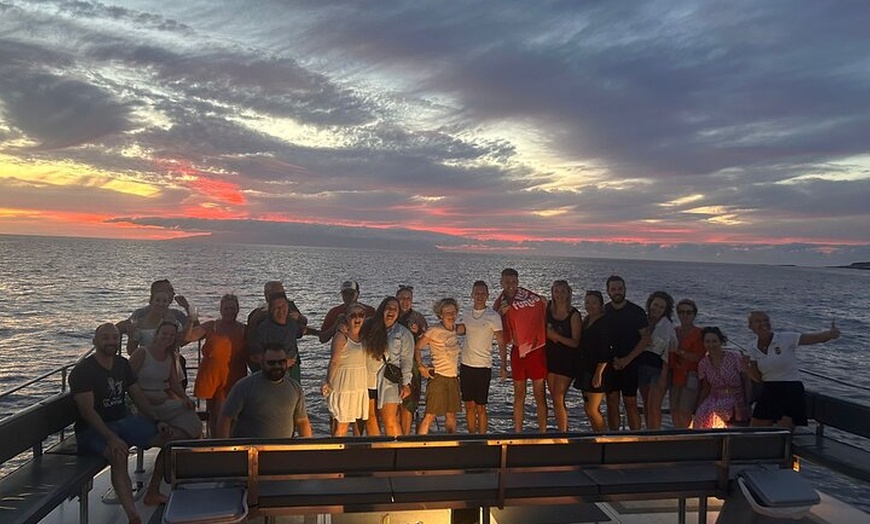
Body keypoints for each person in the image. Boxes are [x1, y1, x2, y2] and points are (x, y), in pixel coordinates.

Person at [70, 323, 172, 523]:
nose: (111, 342)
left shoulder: (121, 364)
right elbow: (87, 412)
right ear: (95, 341)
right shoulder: (83, 371)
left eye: (115, 337)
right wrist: (111, 438)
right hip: (92, 430)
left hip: (123, 421)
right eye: (105, 337)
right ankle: (133, 515)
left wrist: (156, 419)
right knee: (119, 454)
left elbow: (137, 394)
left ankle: (154, 491)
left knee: (170, 440)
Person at [745, 311, 840, 430]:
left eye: (766, 320)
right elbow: (758, 378)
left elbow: (813, 338)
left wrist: (830, 334)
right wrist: (746, 368)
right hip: (769, 390)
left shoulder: (785, 338)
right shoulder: (752, 346)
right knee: (754, 432)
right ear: (750, 326)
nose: (764, 323)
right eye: (759, 321)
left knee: (781, 434)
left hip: (790, 390)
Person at [184, 294, 247, 437]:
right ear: (220, 309)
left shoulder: (244, 329)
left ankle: (223, 444)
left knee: (226, 413)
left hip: (233, 377)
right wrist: (190, 321)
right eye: (226, 308)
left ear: (238, 309)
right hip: (211, 376)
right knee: (214, 414)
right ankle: (214, 443)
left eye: (233, 308)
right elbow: (188, 337)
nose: (229, 311)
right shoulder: (211, 325)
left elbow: (255, 350)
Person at [494, 268, 548, 433]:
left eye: (513, 281)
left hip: (535, 350)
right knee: (519, 395)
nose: (511, 285)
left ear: (517, 281)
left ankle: (543, 433)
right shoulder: (500, 302)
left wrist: (544, 302)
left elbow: (543, 304)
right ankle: (518, 432)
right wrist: (499, 313)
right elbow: (494, 326)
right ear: (501, 282)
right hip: (517, 351)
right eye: (507, 282)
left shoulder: (528, 297)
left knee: (539, 394)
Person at [219, 344, 313, 438]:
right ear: (262, 363)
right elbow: (226, 418)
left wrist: (308, 447)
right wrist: (225, 447)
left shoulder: (295, 387)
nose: (277, 366)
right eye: (271, 363)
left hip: (283, 449)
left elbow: (302, 420)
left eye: (281, 362)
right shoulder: (244, 386)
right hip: (252, 450)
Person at [130, 321, 202, 440]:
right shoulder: (142, 353)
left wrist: (185, 398)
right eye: (164, 333)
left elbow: (174, 384)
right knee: (188, 426)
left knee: (192, 420)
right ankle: (161, 441)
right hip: (142, 403)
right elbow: (128, 381)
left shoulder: (171, 356)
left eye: (171, 335)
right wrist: (147, 398)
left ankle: (168, 443)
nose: (167, 337)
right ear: (157, 334)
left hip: (162, 402)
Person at [362, 296, 414, 437]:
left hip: (389, 379)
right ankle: (379, 452)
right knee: (370, 419)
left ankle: (399, 453)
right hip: (368, 378)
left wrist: (406, 383)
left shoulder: (403, 333)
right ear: (382, 310)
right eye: (388, 307)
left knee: (389, 419)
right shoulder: (368, 327)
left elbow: (407, 361)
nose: (391, 311)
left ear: (398, 313)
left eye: (395, 309)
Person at [604, 275, 650, 431]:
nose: (617, 292)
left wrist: (627, 359)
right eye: (613, 289)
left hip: (631, 363)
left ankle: (635, 438)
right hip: (610, 364)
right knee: (611, 401)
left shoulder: (636, 312)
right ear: (608, 291)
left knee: (630, 402)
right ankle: (614, 437)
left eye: (620, 289)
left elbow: (645, 338)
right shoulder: (605, 311)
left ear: (625, 290)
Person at [460, 281, 506, 433]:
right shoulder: (466, 313)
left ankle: (483, 438)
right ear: (472, 294)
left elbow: (501, 342)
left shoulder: (493, 316)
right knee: (468, 406)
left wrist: (504, 366)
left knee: (481, 407)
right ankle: (471, 437)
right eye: (477, 293)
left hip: (483, 367)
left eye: (482, 293)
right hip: (466, 365)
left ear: (487, 295)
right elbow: (459, 330)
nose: (479, 296)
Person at [415, 298, 463, 434]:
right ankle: (418, 447)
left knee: (451, 416)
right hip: (438, 378)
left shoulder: (455, 329)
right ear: (440, 314)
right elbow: (417, 347)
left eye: (453, 312)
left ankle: (451, 446)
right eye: (447, 312)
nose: (451, 315)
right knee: (430, 415)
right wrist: (421, 366)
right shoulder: (434, 330)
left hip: (453, 378)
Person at [322, 303, 370, 436]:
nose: (357, 318)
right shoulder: (341, 336)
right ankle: (337, 455)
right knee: (341, 427)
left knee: (359, 427)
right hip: (344, 385)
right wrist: (328, 381)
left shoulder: (365, 335)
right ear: (346, 318)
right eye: (353, 315)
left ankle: (357, 454)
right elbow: (334, 361)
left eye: (361, 315)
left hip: (359, 384)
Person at [633, 291, 676, 430]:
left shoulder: (666, 326)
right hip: (642, 367)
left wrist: (664, 375)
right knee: (646, 404)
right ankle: (649, 434)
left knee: (654, 406)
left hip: (658, 370)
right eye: (655, 304)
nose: (657, 309)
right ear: (650, 303)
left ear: (666, 310)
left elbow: (668, 353)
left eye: (661, 307)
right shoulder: (643, 321)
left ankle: (656, 435)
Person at [246, 281, 311, 372]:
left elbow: (302, 326)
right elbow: (250, 341)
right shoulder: (257, 314)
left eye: (282, 292)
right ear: (267, 295)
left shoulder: (290, 306)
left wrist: (300, 318)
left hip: (291, 360)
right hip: (270, 364)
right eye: (277, 293)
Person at [544, 280, 582, 432]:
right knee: (554, 398)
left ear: (568, 293)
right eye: (557, 291)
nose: (559, 295)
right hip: (551, 359)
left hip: (567, 361)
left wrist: (556, 336)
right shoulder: (548, 310)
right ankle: (560, 429)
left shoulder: (574, 315)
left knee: (559, 397)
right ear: (552, 292)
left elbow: (575, 343)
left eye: (563, 292)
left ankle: (563, 434)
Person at [694, 327, 748, 429]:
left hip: (735, 396)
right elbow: (705, 387)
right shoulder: (703, 363)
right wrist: (697, 406)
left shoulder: (734, 357)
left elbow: (746, 380)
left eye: (714, 341)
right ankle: (702, 441)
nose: (711, 345)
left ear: (720, 342)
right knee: (700, 415)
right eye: (707, 342)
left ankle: (718, 439)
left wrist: (747, 402)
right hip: (715, 396)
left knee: (716, 411)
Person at [575, 290, 611, 432]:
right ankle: (596, 434)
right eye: (587, 302)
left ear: (601, 304)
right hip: (586, 368)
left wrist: (599, 372)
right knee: (587, 406)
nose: (590, 306)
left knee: (592, 408)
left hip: (598, 370)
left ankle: (603, 437)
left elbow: (606, 349)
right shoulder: (587, 320)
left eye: (594, 303)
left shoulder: (604, 323)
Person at [396, 284, 429, 434]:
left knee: (408, 404)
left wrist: (419, 333)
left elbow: (426, 339)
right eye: (402, 298)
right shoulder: (390, 315)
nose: (405, 301)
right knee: (393, 404)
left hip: (412, 365)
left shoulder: (418, 318)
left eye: (408, 298)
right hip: (392, 365)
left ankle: (406, 437)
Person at [249, 292, 302, 382]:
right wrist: (282, 362)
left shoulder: (291, 324)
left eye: (284, 306)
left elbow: (303, 330)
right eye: (277, 307)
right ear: (270, 309)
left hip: (292, 375)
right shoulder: (263, 329)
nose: (281, 310)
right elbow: (254, 357)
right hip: (272, 376)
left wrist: (323, 333)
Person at [669, 299, 705, 429]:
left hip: (691, 377)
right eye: (682, 312)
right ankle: (677, 434)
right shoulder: (675, 331)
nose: (685, 315)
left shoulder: (699, 334)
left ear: (694, 315)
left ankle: (685, 435)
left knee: (685, 410)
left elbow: (699, 357)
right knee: (674, 409)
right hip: (675, 376)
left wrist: (680, 352)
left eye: (688, 312)